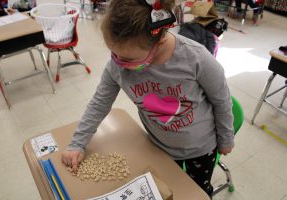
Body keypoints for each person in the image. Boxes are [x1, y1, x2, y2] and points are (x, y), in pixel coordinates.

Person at [61, 0, 234, 198]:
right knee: (169, 193)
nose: (119, 63)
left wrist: (226, 137)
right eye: (114, 54)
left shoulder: (196, 58)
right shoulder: (118, 65)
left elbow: (221, 100)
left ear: (158, 42)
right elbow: (99, 104)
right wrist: (77, 143)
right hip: (159, 146)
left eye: (127, 59)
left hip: (201, 148)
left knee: (198, 193)